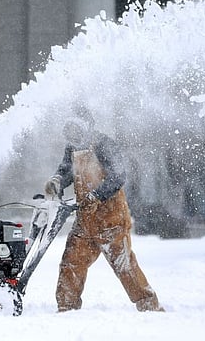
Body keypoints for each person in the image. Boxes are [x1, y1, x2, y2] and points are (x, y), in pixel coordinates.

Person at [44, 111, 165, 312]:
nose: (72, 135)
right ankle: (66, 308)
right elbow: (66, 170)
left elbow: (119, 175)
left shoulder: (105, 144)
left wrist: (96, 195)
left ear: (86, 127)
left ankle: (149, 305)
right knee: (71, 262)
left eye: (76, 129)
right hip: (85, 219)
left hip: (111, 219)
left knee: (124, 265)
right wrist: (57, 180)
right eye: (69, 130)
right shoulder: (72, 147)